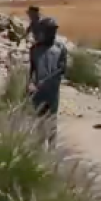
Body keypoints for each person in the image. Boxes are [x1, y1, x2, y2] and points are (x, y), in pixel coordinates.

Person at [28, 17, 68, 145]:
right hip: (38, 91)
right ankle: (39, 148)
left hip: (52, 91)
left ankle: (52, 149)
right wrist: (30, 83)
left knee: (51, 120)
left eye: (53, 31)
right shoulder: (34, 49)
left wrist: (45, 80)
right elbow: (32, 69)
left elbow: (62, 69)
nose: (52, 34)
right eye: (49, 31)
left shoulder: (60, 48)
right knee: (39, 119)